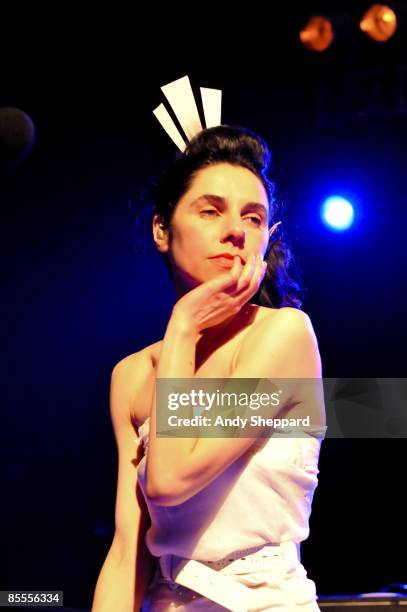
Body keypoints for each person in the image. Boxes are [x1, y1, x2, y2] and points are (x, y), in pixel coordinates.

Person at [92, 83, 326, 611]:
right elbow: (129, 549)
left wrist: (181, 330)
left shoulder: (284, 335)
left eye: (253, 217)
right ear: (161, 228)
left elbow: (173, 478)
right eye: (210, 211)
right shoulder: (130, 374)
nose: (235, 232)